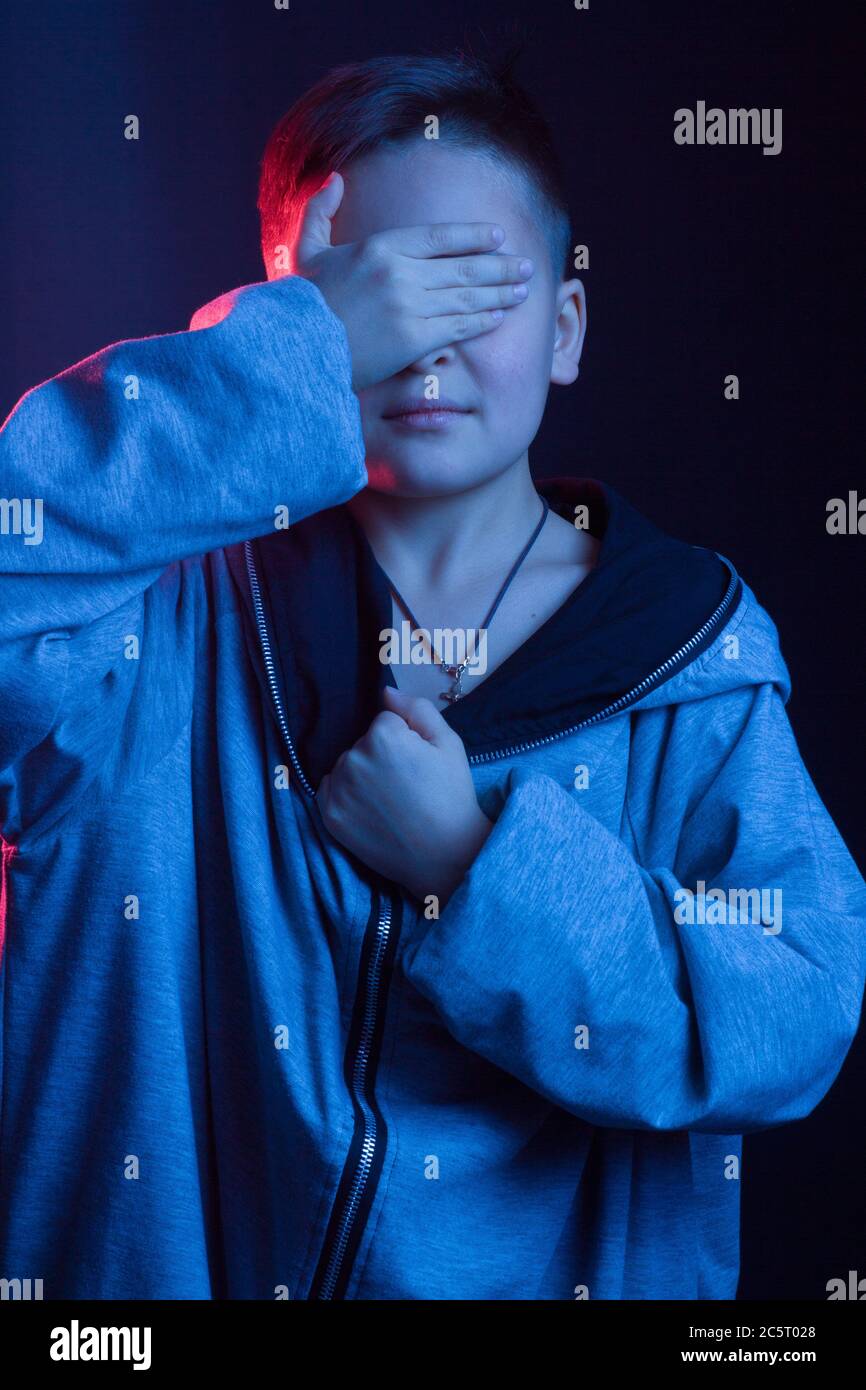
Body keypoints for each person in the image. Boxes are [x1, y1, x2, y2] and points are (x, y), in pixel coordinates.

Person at [0, 50, 864, 1301]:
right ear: (279, 320)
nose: (422, 345)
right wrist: (280, 367)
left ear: (563, 331)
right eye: (369, 296)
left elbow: (793, 1006)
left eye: (474, 287)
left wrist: (478, 866)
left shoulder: (694, 657)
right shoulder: (152, 606)